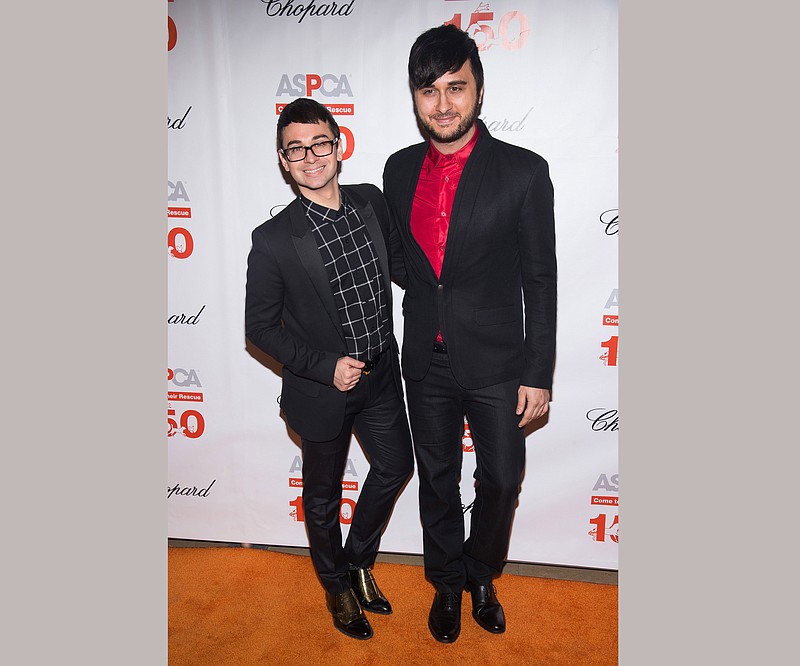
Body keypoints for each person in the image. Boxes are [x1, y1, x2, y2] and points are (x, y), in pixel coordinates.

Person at [382, 24, 557, 643]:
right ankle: (448, 583)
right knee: (436, 477)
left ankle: (483, 574)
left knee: (502, 479)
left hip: (499, 361)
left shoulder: (523, 172)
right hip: (423, 359)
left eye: (456, 87)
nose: (443, 103)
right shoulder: (398, 170)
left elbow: (540, 279)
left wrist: (538, 372)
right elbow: (408, 264)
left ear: (478, 89)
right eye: (428, 91)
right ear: (415, 98)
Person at [245, 97, 414, 641]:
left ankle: (358, 560)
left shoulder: (371, 202)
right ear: (283, 160)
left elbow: (406, 266)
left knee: (394, 467)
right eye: (297, 149)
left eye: (320, 143)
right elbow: (261, 329)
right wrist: (324, 367)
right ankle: (335, 584)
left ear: (338, 146)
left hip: (383, 374)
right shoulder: (272, 240)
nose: (311, 156)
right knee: (321, 497)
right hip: (323, 391)